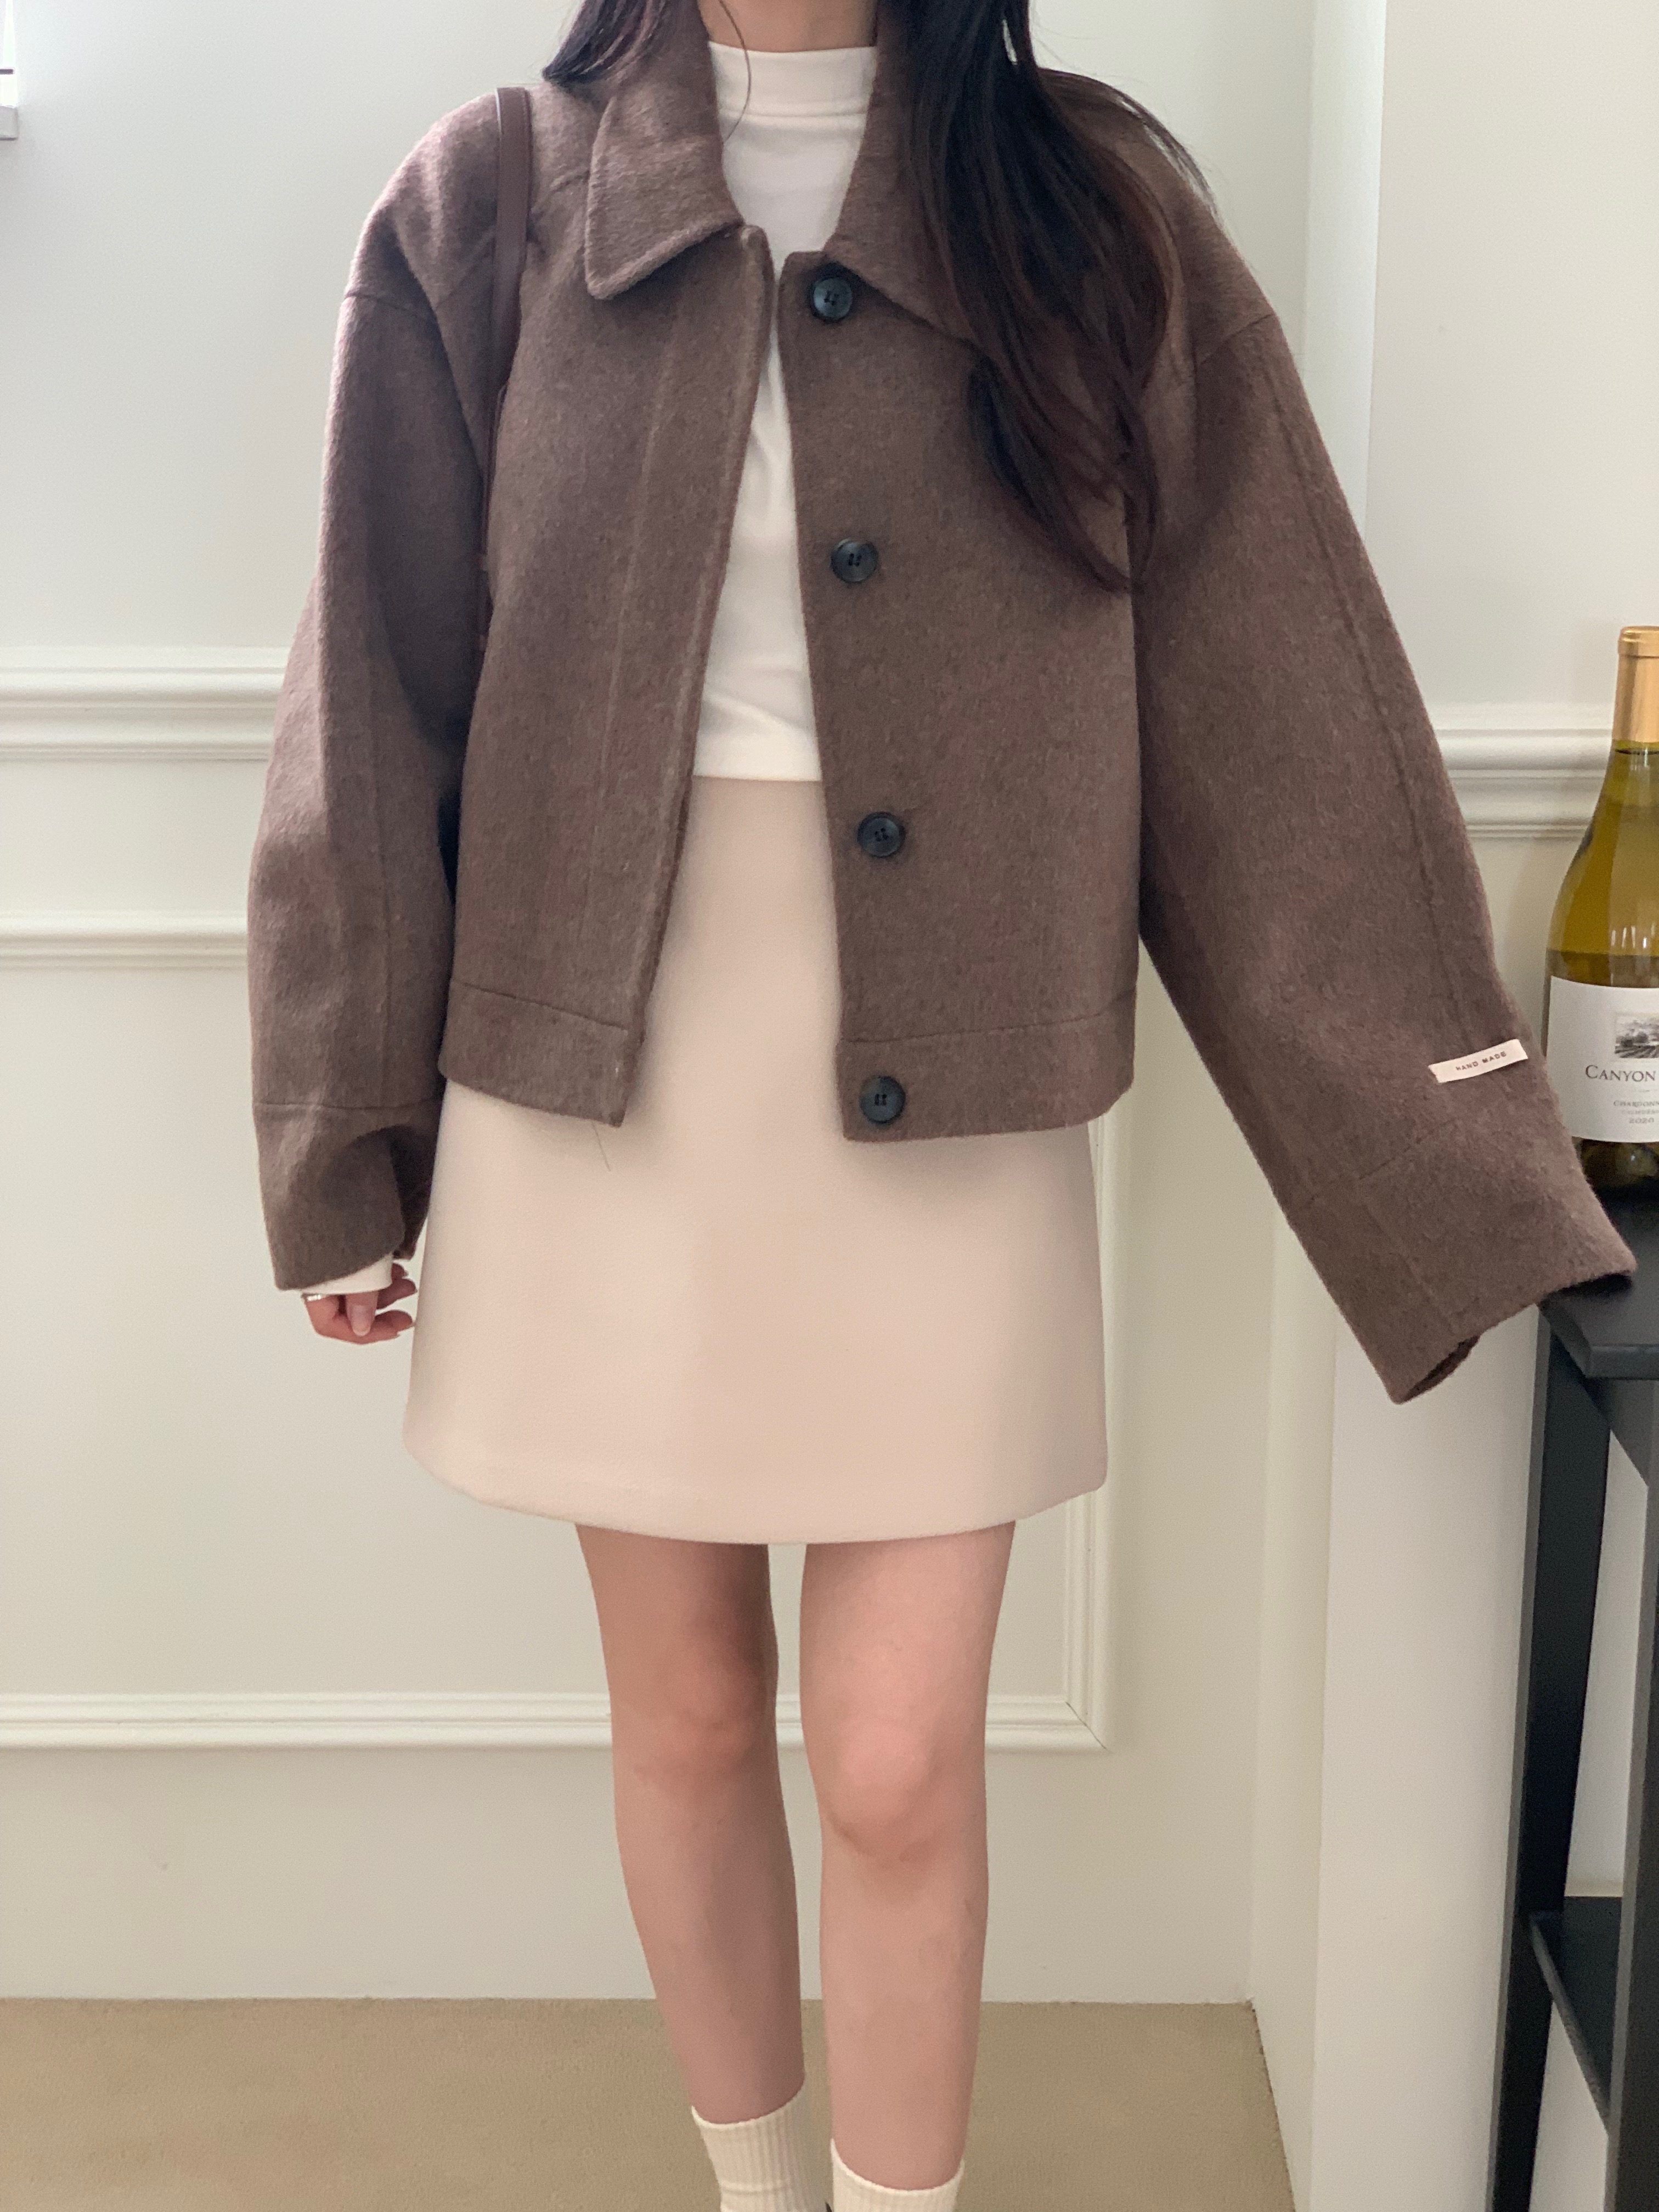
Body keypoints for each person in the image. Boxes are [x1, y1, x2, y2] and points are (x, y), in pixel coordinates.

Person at [245, 0, 1636, 2205]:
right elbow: (373, 684)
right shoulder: (489, 203)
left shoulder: (1092, 209)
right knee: (689, 1717)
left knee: (897, 1761)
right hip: (596, 1083)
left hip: (954, 1081)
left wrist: (1464, 1169)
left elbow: (1278, 705)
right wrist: (345, 1144)